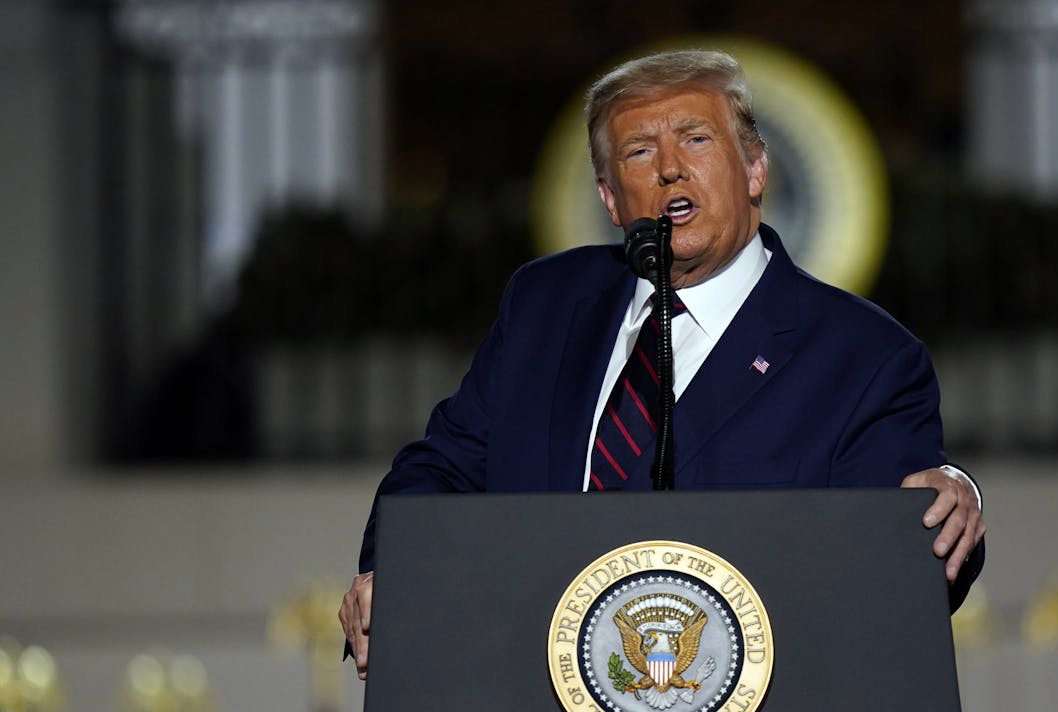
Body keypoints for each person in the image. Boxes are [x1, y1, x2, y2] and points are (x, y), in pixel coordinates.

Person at [338, 49, 985, 680]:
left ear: (756, 169)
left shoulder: (865, 358)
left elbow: (897, 566)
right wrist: (393, 574)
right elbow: (441, 468)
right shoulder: (546, 305)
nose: (671, 169)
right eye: (639, 152)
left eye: (696, 139)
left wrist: (953, 501)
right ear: (611, 198)